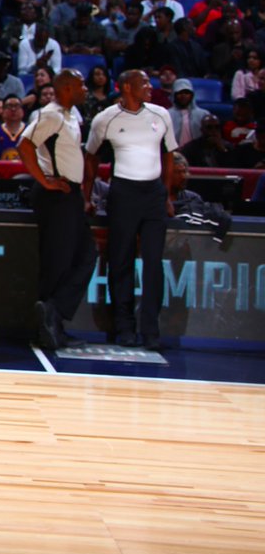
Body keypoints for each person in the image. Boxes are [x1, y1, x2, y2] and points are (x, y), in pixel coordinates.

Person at [84, 69, 178, 350]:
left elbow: (169, 154)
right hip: (123, 193)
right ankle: (124, 327)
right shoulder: (106, 118)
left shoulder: (161, 114)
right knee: (121, 261)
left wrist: (168, 194)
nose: (150, 86)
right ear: (126, 87)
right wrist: (86, 196)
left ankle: (150, 329)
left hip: (153, 195)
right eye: (144, 83)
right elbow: (91, 157)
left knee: (153, 263)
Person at [16, 69, 95, 351]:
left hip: (70, 194)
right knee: (57, 262)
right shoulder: (49, 114)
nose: (86, 88)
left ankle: (52, 312)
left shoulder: (73, 115)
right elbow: (24, 145)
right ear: (67, 88)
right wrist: (44, 181)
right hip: (55, 195)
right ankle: (48, 327)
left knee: (86, 256)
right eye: (81, 84)